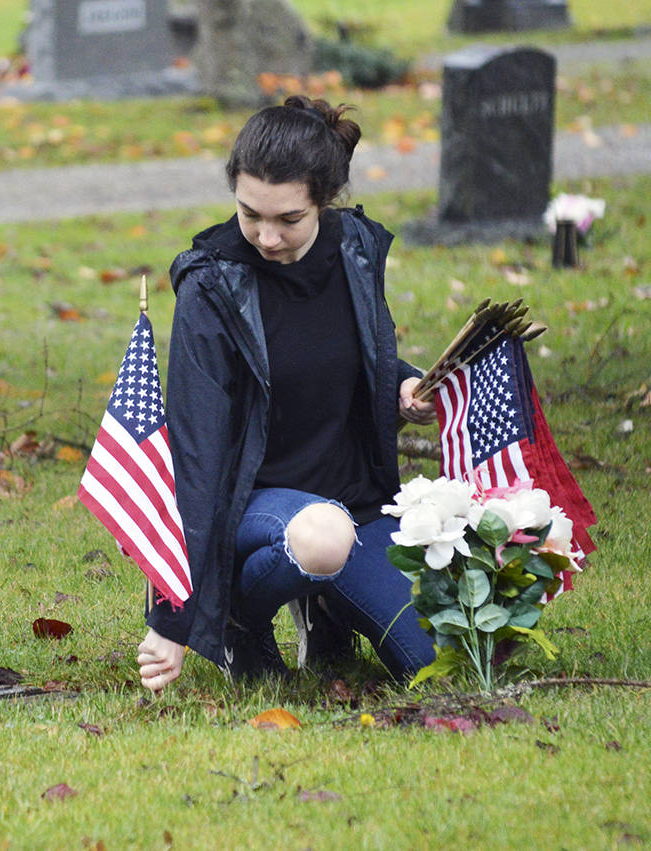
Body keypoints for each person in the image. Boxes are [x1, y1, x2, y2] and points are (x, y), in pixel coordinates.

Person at [136, 96, 438, 693]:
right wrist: (172, 617)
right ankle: (240, 623)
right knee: (322, 537)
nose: (267, 236)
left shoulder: (355, 251)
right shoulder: (212, 285)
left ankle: (324, 607)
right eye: (251, 214)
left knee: (433, 665)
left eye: (289, 219)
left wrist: (400, 382)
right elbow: (195, 455)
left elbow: (342, 356)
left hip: (357, 497)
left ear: (325, 201)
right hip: (257, 504)